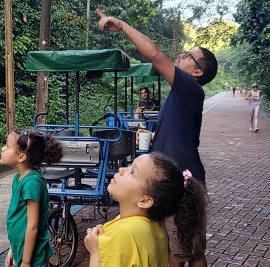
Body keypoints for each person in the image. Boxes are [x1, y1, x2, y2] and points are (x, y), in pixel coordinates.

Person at [97, 8, 218, 267]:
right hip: (167, 180)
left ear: (197, 72)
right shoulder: (182, 93)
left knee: (189, 252)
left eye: (188, 56)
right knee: (173, 251)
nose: (181, 56)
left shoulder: (190, 87)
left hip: (183, 182)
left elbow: (154, 54)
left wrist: (123, 25)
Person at [84, 152, 206, 267]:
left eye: (132, 172)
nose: (121, 170)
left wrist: (95, 251)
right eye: (129, 166)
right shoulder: (155, 225)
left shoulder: (121, 234)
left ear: (145, 201)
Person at [0, 129, 63, 267]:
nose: (3, 149)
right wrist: (13, 249)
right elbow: (19, 217)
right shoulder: (18, 178)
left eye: (8, 146)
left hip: (32, 258)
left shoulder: (31, 183)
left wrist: (27, 262)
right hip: (21, 251)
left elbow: (33, 225)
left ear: (21, 157)